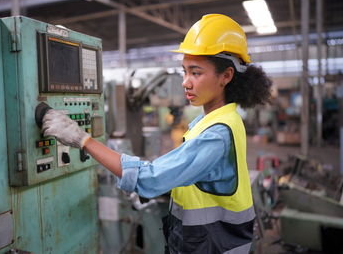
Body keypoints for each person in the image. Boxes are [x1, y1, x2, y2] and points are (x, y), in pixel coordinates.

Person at [42, 14, 272, 254]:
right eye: (184, 72)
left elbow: (148, 179)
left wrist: (82, 140)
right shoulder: (217, 121)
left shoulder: (216, 134)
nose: (186, 82)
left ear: (226, 76)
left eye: (196, 72)